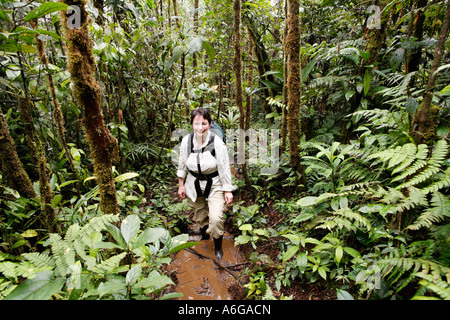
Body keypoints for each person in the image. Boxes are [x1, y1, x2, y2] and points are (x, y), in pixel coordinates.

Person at [177, 108, 234, 260]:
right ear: (192, 124)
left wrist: (228, 190)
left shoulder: (217, 143)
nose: (200, 127)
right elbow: (182, 164)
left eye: (204, 123)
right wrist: (181, 184)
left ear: (209, 124)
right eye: (196, 123)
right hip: (193, 183)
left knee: (215, 219)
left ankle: (218, 246)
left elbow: (224, 167)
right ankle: (204, 234)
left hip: (215, 184)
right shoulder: (186, 142)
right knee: (200, 214)